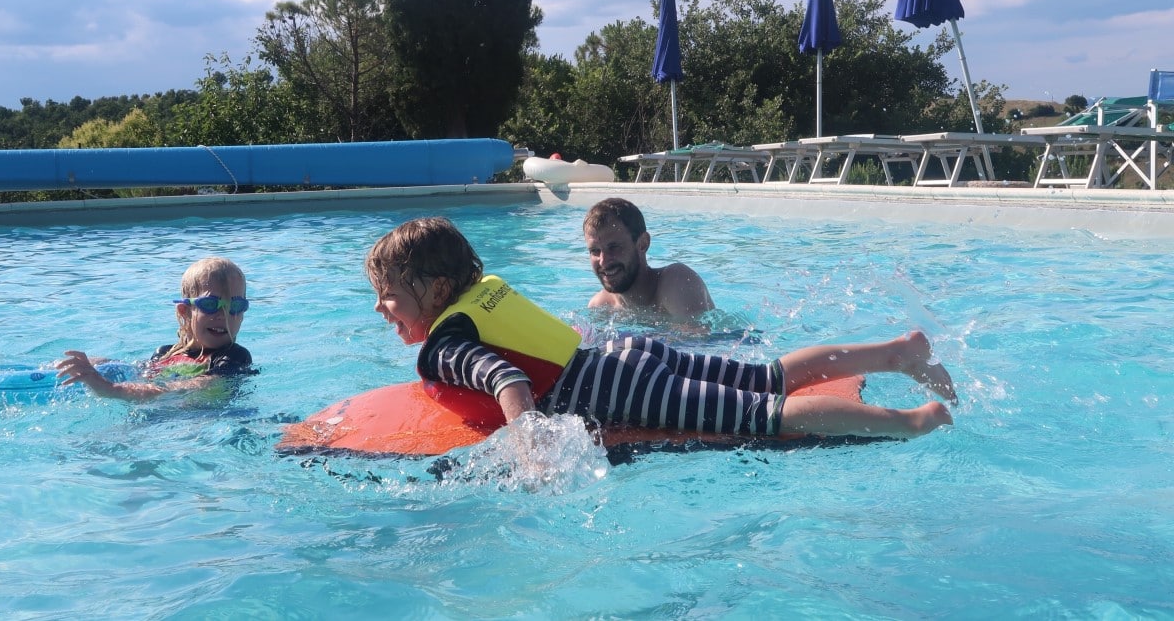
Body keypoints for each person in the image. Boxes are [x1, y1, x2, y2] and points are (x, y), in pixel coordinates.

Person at [365, 217, 955, 446]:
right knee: (771, 376)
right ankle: (897, 352)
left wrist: (531, 447)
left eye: (389, 294)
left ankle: (914, 422)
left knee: (766, 417)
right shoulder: (483, 290)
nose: (381, 309)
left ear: (437, 289)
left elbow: (507, 378)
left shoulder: (445, 343)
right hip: (630, 354)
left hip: (622, 392)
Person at [56, 257, 256, 401]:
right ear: (185, 311)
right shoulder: (165, 353)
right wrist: (94, 365)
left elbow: (197, 387)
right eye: (211, 305)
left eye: (235, 306)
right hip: (158, 417)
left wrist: (111, 389)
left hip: (201, 424)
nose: (223, 315)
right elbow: (136, 372)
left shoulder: (234, 357)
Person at [583, 198, 714, 322]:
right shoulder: (600, 308)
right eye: (595, 251)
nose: (603, 261)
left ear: (643, 244)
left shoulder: (676, 282)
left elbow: (698, 341)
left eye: (614, 247)